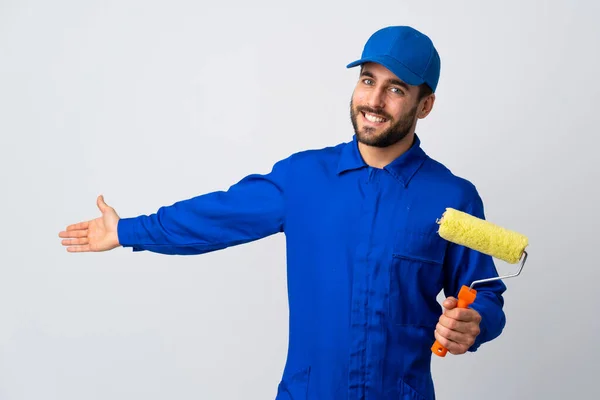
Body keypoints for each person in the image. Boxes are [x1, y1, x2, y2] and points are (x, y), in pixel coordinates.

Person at [59, 25, 506, 399]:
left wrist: (477, 323)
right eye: (368, 80)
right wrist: (127, 230)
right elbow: (216, 216)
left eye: (396, 89)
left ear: (424, 105)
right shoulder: (303, 179)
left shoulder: (455, 199)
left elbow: (486, 294)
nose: (374, 101)